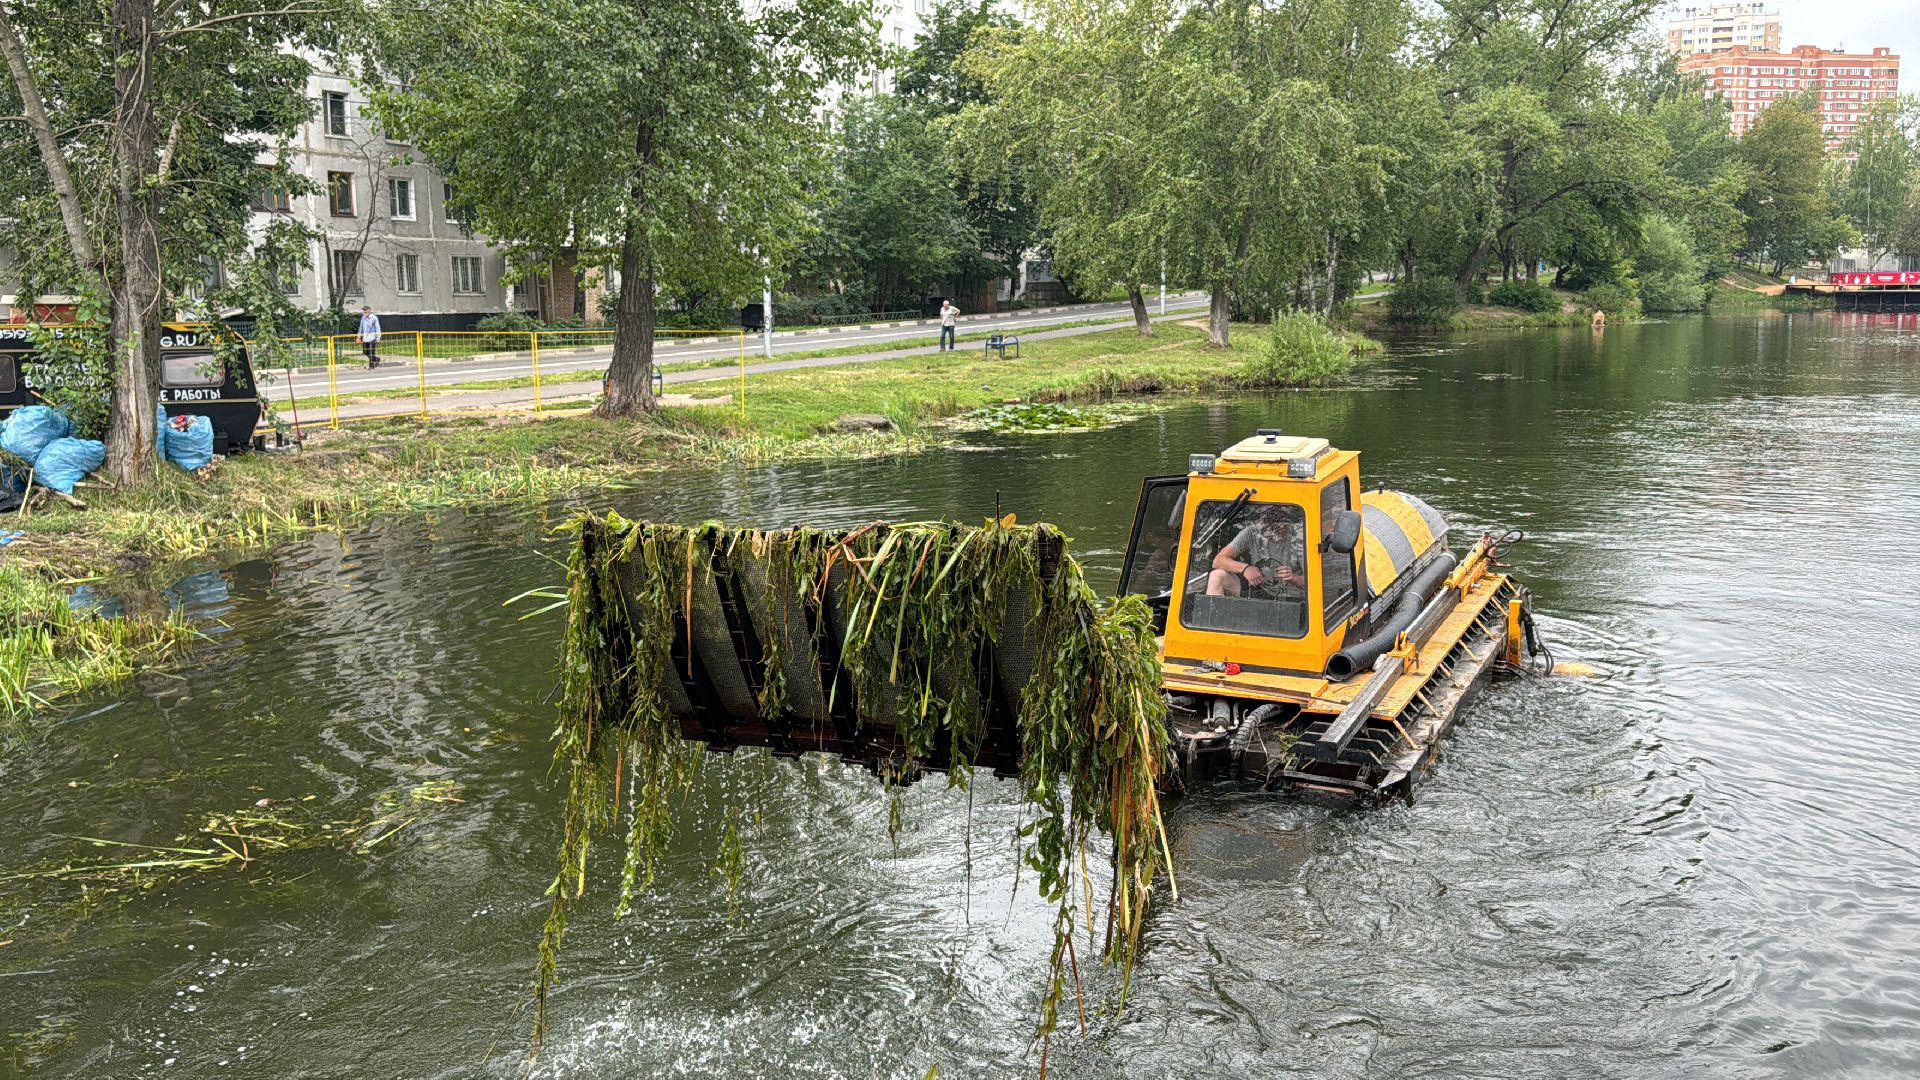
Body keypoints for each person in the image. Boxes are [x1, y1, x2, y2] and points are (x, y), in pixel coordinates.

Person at [1205, 509, 1305, 598]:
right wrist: (1245, 568)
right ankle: (1211, 617)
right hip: (1261, 592)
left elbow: (1317, 584)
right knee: (1217, 576)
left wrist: (1294, 578)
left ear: (1286, 525)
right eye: (1266, 527)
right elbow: (1218, 561)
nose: (1271, 531)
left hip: (1295, 598)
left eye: (1277, 526)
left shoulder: (1299, 537)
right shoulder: (1252, 532)